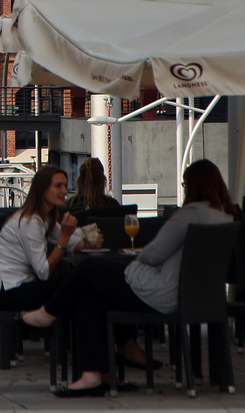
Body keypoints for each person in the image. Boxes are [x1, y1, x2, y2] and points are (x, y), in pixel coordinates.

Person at [22, 158, 237, 397]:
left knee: (89, 268)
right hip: (195, 297)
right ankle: (96, 375)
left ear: (194, 186)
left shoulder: (188, 215)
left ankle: (49, 312)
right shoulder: (225, 216)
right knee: (90, 296)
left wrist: (140, 257)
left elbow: (153, 254)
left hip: (160, 294)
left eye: (186, 184)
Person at [0, 165, 84, 311]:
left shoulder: (44, 218)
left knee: (77, 284)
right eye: (58, 186)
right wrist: (64, 236)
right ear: (42, 189)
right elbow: (44, 272)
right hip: (7, 291)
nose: (64, 191)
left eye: (65, 186)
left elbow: (72, 242)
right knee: (77, 282)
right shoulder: (30, 221)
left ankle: (54, 329)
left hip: (16, 287)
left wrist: (87, 242)